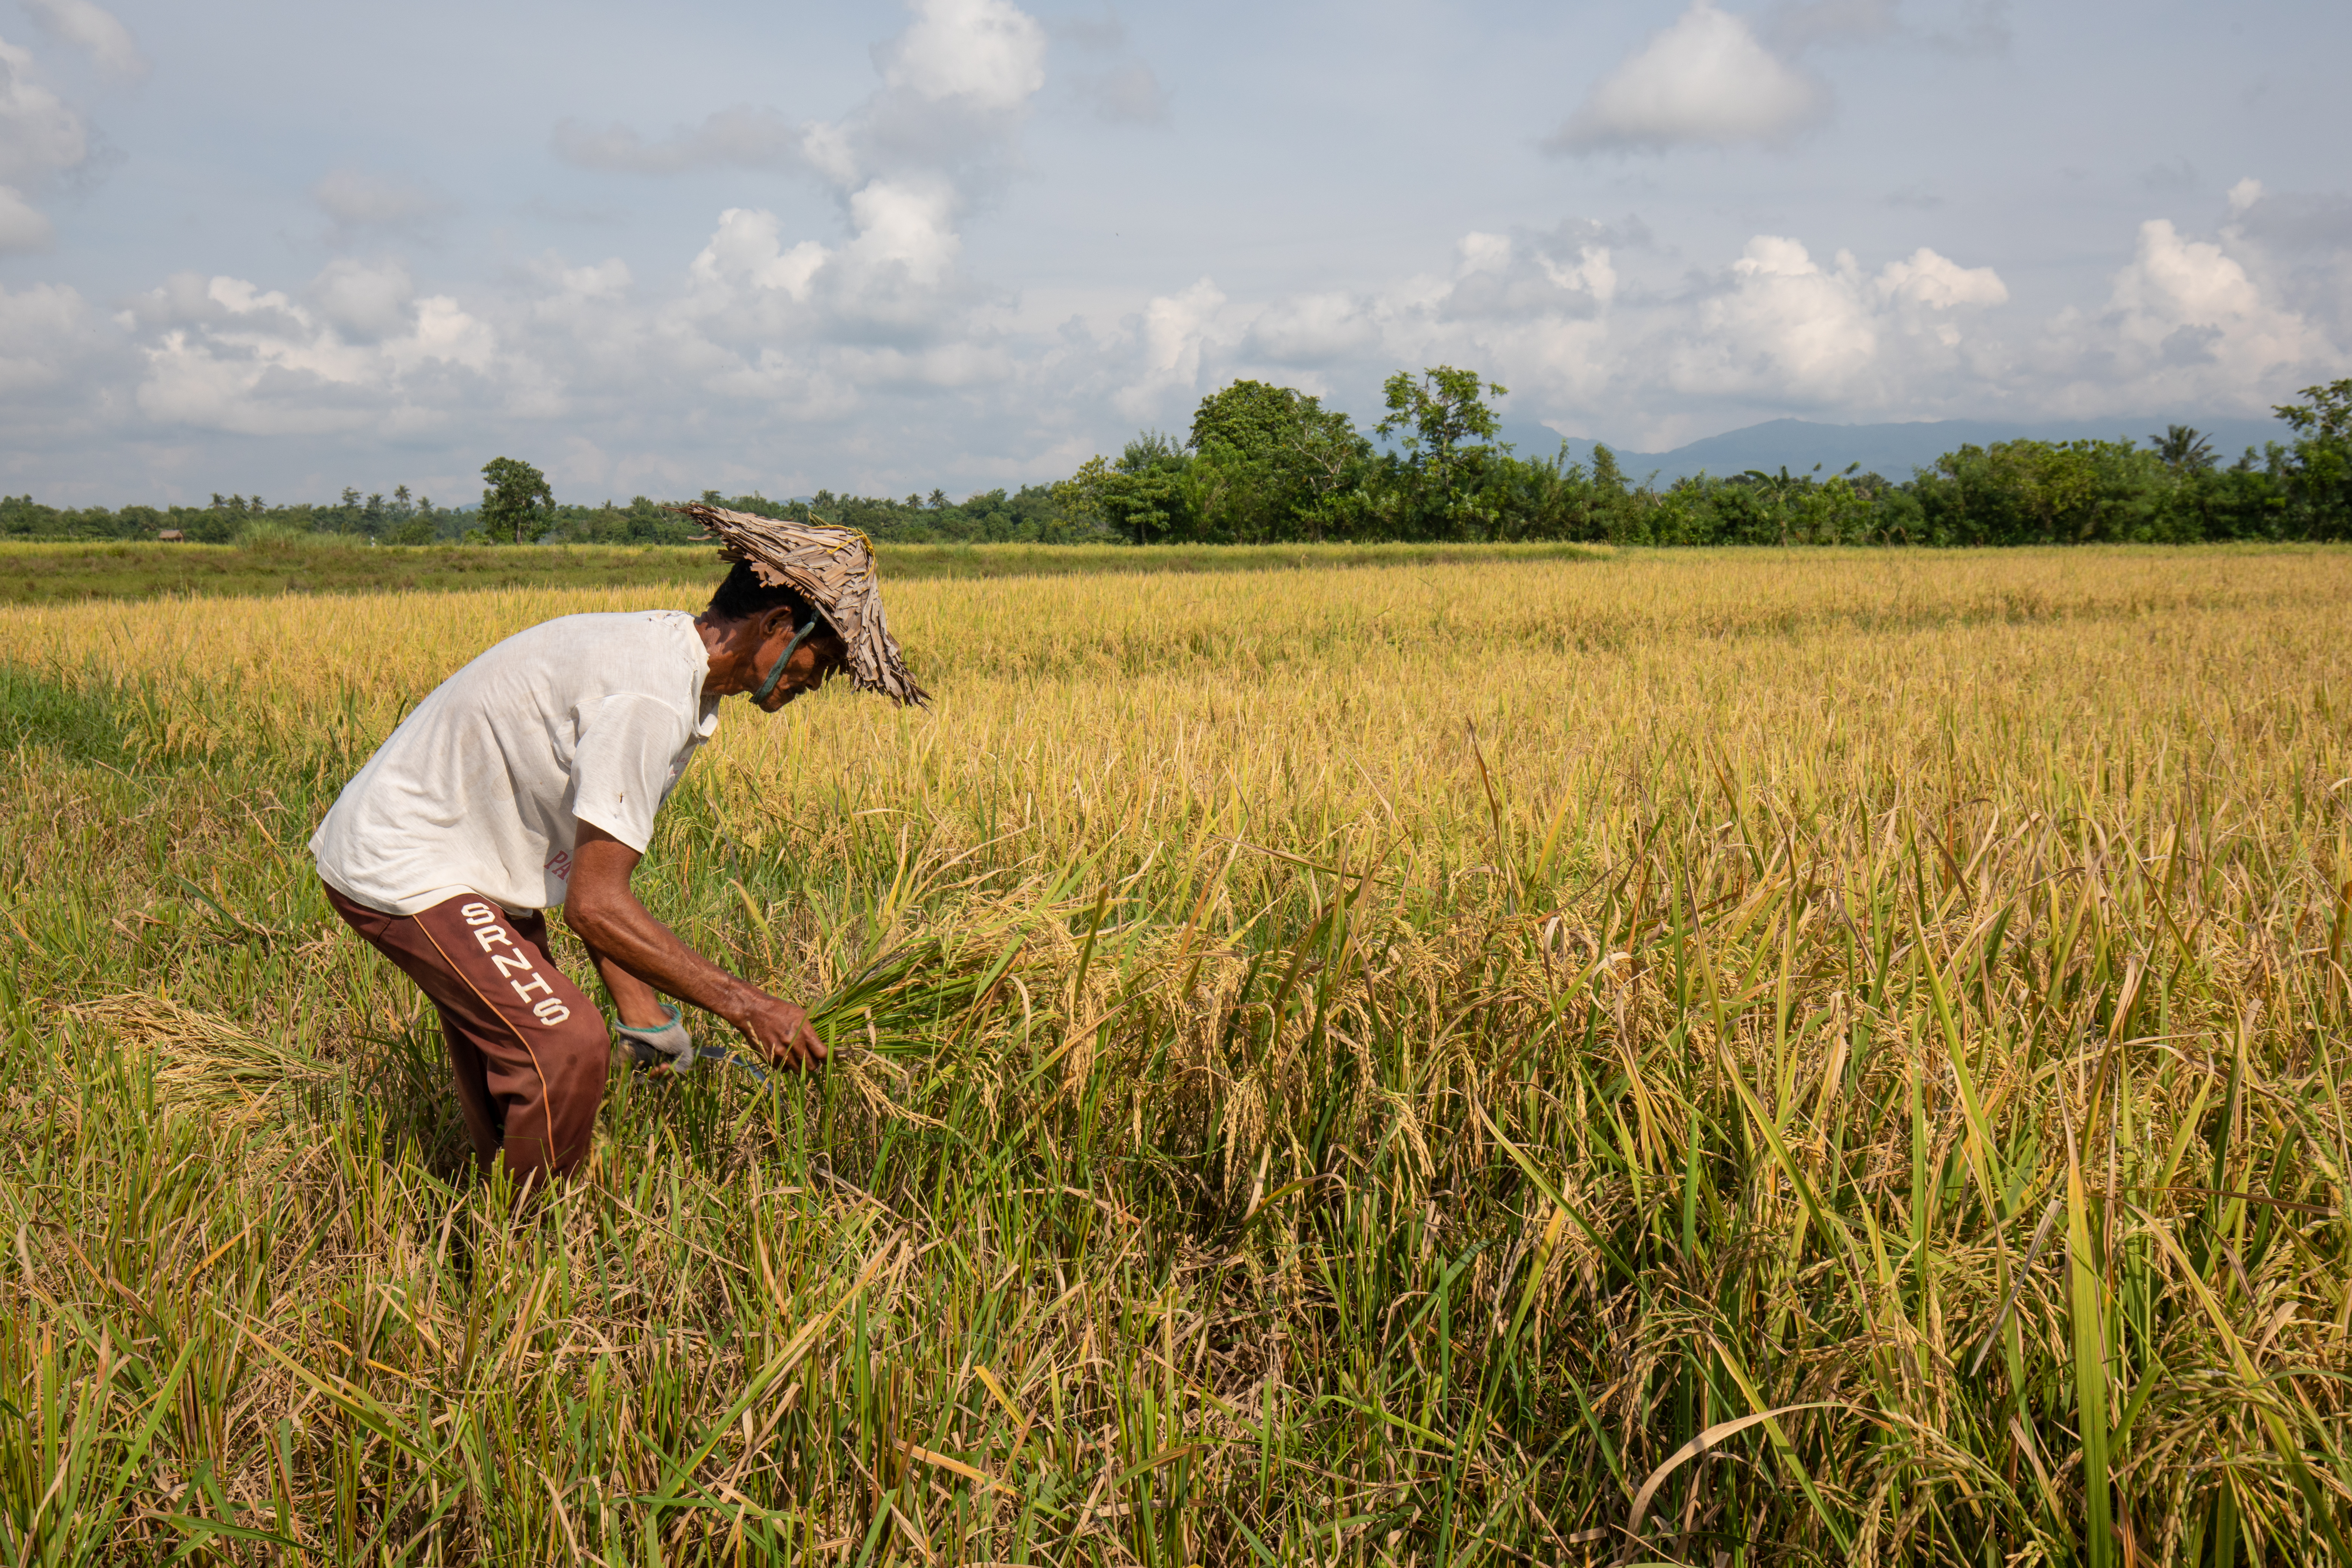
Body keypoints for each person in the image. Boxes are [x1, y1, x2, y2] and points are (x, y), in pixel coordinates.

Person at [310, 506, 928, 1192]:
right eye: (820, 664)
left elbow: (589, 865)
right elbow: (596, 906)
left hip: (472, 857)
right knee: (562, 1048)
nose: (813, 683)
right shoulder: (650, 697)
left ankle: (484, 1220)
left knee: (515, 1058)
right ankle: (520, 1255)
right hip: (409, 861)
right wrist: (751, 1006)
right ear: (778, 627)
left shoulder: (673, 660)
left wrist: (646, 1013)